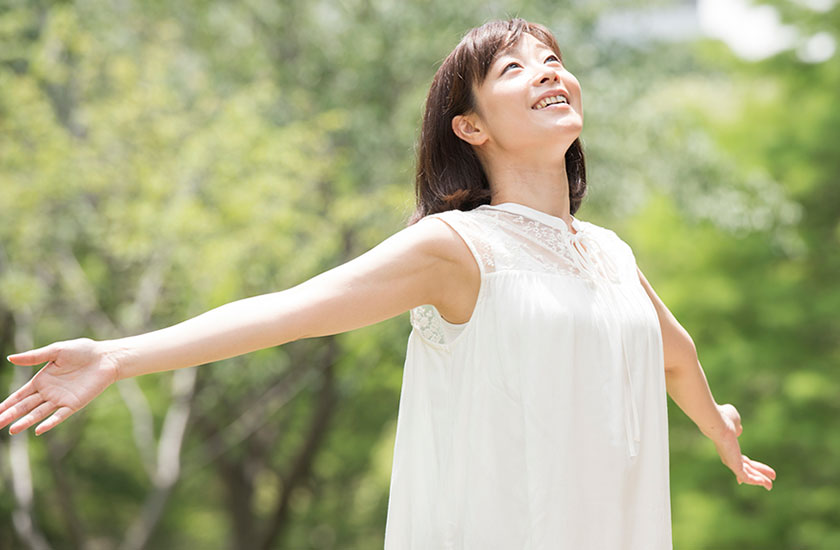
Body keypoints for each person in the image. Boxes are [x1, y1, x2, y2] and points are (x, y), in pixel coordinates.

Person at [0, 18, 774, 549]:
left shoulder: (609, 251)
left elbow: (674, 352)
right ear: (470, 127)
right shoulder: (460, 248)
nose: (549, 72)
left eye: (553, 60)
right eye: (515, 67)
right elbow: (291, 311)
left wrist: (719, 433)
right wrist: (118, 356)